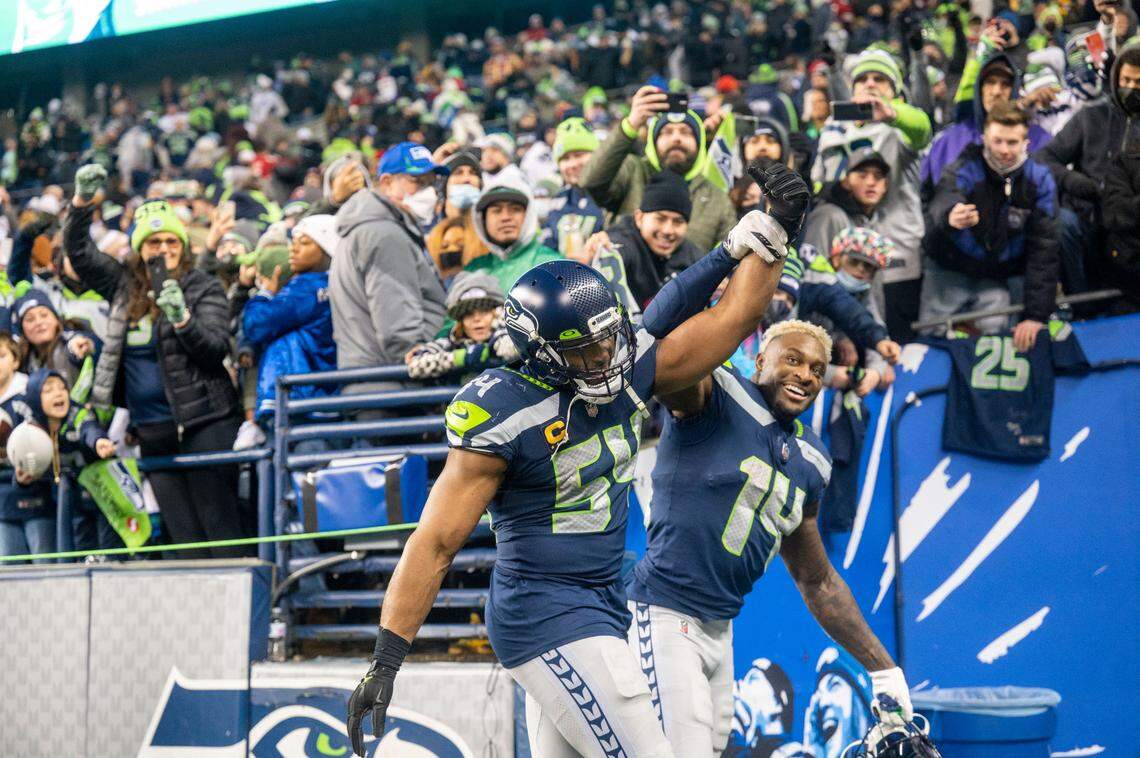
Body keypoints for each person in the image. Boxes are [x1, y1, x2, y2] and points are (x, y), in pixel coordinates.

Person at [346, 164, 811, 758]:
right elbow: (435, 543)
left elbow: (732, 318)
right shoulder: (505, 411)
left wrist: (775, 229)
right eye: (584, 350)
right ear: (541, 354)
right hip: (544, 611)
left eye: (607, 339)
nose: (604, 358)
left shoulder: (623, 366)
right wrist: (385, 661)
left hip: (602, 602)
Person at [625, 312, 912, 756]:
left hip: (720, 628)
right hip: (664, 613)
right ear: (760, 360)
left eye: (817, 369)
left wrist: (883, 670)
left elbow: (817, 580)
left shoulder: (812, 458)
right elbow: (671, 374)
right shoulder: (719, 394)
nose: (805, 375)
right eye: (793, 360)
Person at [64, 165, 250, 559]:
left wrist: (183, 318)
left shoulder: (201, 285)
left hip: (206, 423)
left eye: (170, 240)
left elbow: (217, 348)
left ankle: (244, 615)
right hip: (152, 433)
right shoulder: (123, 285)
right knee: (182, 538)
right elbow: (79, 254)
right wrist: (81, 203)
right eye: (153, 241)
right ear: (139, 246)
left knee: (220, 529)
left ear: (182, 245)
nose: (162, 249)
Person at [811, 49, 932, 339]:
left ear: (894, 90)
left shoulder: (900, 127)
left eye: (880, 78)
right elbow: (819, 180)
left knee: (897, 343)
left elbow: (923, 130)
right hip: (843, 257)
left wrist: (892, 114)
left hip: (897, 258)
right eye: (862, 78)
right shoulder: (834, 126)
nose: (870, 83)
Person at [921, 104, 1059, 348]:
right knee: (931, 336)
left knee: (996, 336)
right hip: (948, 266)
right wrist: (950, 217)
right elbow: (945, 195)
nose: (1004, 150)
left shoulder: (1039, 179)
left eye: (1012, 142)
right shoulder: (964, 166)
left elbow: (1044, 250)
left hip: (997, 274)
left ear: (1026, 142)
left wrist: (1036, 316)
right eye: (997, 141)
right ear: (984, 139)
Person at [331, 142, 448, 392]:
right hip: (391, 384)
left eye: (431, 183)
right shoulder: (385, 234)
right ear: (386, 183)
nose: (428, 192)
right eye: (417, 182)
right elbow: (399, 330)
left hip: (371, 380)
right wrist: (419, 357)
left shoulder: (374, 227)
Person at [1038, 40, 1140, 296]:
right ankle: (1082, 301)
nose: (1130, 89)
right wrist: (1077, 182)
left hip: (1131, 216)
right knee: (1063, 224)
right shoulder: (1092, 116)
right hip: (1090, 211)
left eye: (1138, 83)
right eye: (1125, 80)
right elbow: (1044, 158)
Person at [581, 86, 737, 252]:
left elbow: (728, 258)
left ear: (699, 144)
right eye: (667, 132)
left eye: (685, 132)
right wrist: (630, 125)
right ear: (653, 141)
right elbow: (590, 181)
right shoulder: (632, 170)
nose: (676, 138)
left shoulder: (716, 197)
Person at [242, 214, 338, 427]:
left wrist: (264, 294)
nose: (293, 249)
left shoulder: (306, 287)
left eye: (304, 243)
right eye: (293, 242)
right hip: (325, 397)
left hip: (300, 401)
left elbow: (256, 325)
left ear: (327, 248)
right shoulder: (337, 284)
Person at [921, 46, 1052, 198]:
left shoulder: (1040, 140)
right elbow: (924, 197)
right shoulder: (947, 141)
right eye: (990, 82)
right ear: (979, 88)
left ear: (1015, 88)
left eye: (1005, 84)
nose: (996, 92)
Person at [580, 171, 703, 313]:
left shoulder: (692, 255)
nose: (668, 230)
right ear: (639, 218)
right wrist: (602, 249)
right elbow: (615, 248)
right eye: (660, 218)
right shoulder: (625, 241)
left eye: (678, 221)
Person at [404, 271, 517, 380]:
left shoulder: (507, 335)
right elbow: (414, 365)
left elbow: (513, 349)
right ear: (460, 321)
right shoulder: (451, 342)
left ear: (496, 313)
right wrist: (461, 357)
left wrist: (493, 347)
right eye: (468, 314)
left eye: (484, 311)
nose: (477, 319)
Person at [464, 168, 562, 293]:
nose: (505, 217)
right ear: (482, 220)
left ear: (528, 217)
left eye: (515, 209)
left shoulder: (553, 266)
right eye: (496, 211)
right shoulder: (473, 270)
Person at [543, 118, 606, 257]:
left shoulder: (612, 192)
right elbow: (547, 247)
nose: (572, 164)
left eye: (579, 155)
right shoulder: (558, 200)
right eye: (565, 158)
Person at [426, 148, 489, 278]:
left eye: (472, 173)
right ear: (444, 186)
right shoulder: (427, 230)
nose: (466, 179)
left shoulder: (491, 231)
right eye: (458, 173)